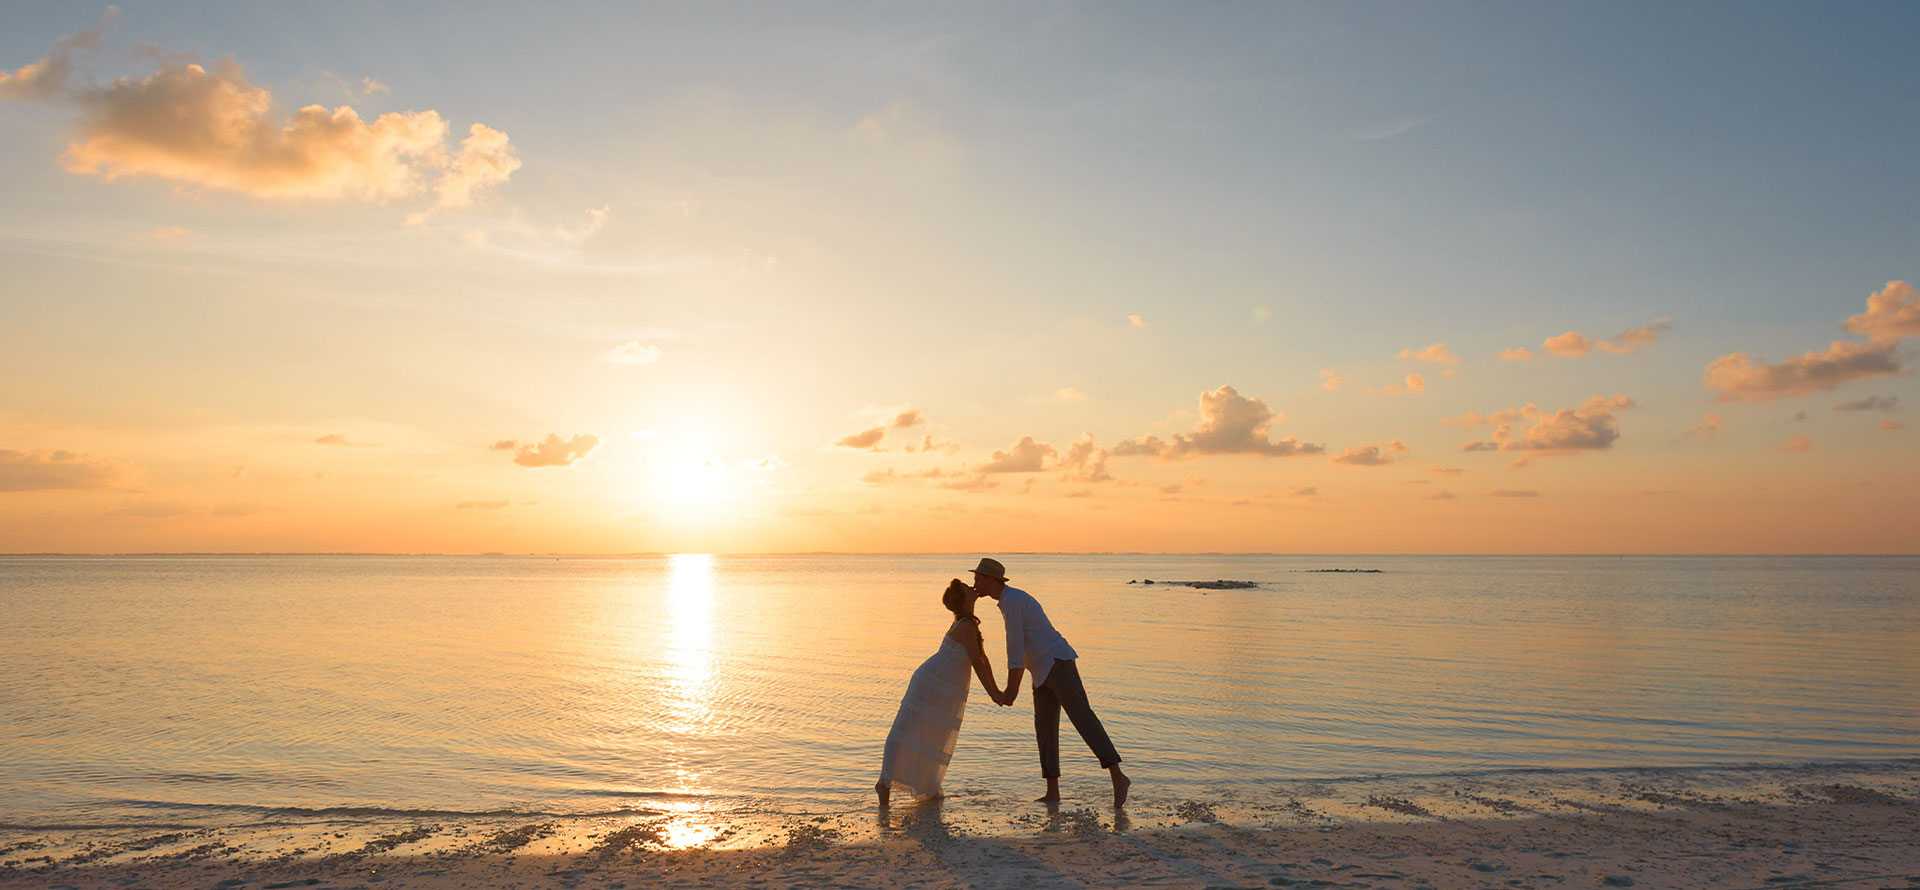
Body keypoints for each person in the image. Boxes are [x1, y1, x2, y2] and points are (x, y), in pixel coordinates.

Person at [973, 557, 1130, 807]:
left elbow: (1014, 647)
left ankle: (1118, 777)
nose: (975, 584)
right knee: (1044, 730)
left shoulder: (1012, 600)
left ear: (991, 580)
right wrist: (1012, 688)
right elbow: (1021, 650)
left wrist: (1009, 691)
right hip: (1041, 670)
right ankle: (1053, 792)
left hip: (1058, 663)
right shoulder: (1006, 602)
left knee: (1083, 719)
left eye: (978, 579)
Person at [875, 578, 1002, 806]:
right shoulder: (965, 626)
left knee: (933, 734)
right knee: (907, 730)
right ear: (964, 598)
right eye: (967, 587)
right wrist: (994, 694)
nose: (972, 588)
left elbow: (983, 660)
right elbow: (978, 663)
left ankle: (929, 785)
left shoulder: (968, 623)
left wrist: (997, 690)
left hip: (942, 685)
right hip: (932, 683)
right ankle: (884, 782)